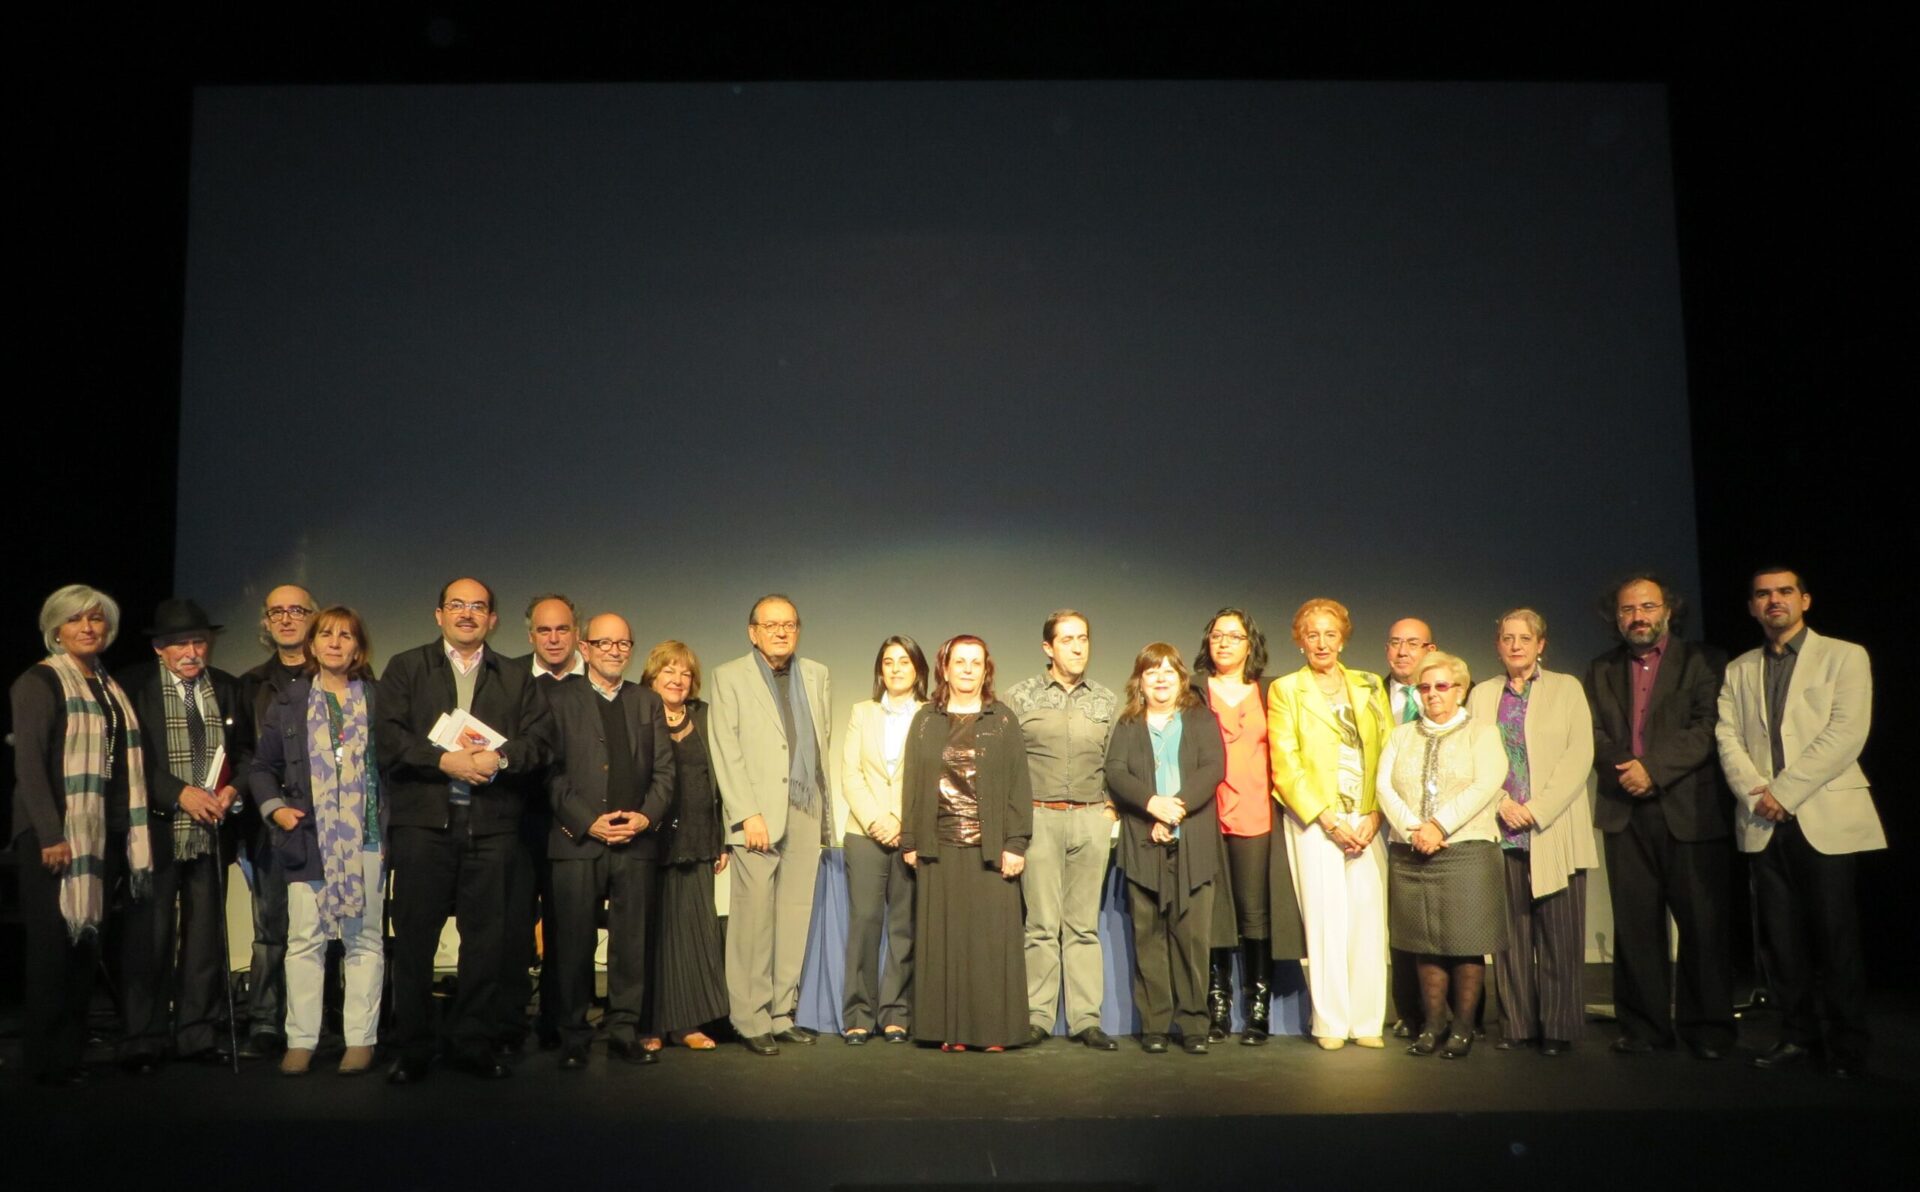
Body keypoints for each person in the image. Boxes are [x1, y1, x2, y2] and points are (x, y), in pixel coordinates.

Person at [378, 577, 553, 1083]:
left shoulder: (517, 678)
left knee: (487, 944)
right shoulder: (407, 667)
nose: (467, 614)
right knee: (414, 941)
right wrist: (445, 761)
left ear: (493, 620)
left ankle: (471, 1043)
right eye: (457, 605)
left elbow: (540, 741)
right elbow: (388, 740)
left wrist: (500, 759)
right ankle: (411, 1047)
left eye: (478, 607)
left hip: (492, 827)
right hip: (423, 826)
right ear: (439, 615)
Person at [1716, 567, 1883, 1078]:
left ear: (1804, 600)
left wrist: (1784, 793)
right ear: (1751, 607)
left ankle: (1847, 1048)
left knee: (1835, 940)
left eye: (1784, 592)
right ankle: (1797, 1036)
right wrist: (1757, 793)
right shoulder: (1740, 667)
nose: (1774, 601)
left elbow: (1846, 733)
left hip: (1822, 813)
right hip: (1764, 820)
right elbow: (1728, 737)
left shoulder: (1844, 655)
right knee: (1782, 941)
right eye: (1763, 594)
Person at [1582, 574, 1735, 1059]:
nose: (1638, 617)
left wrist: (1653, 769)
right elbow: (1594, 732)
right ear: (1617, 617)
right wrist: (1626, 770)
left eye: (1647, 606)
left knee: (1702, 928)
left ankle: (1708, 1031)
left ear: (1668, 610)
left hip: (1688, 809)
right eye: (1628, 610)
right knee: (1636, 927)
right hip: (1625, 811)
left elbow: (1707, 726)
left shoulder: (1704, 661)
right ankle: (1645, 1028)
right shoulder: (1601, 668)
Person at [10, 586, 157, 1084]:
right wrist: (51, 834)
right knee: (53, 952)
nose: (88, 629)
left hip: (105, 834)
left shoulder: (107, 682)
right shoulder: (40, 681)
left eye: (95, 620)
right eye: (76, 621)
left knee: (83, 953)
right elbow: (29, 764)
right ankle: (43, 1063)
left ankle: (68, 1058)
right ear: (56, 629)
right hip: (54, 836)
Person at [249, 606, 388, 1076]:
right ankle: (302, 1040)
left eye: (345, 635)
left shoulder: (377, 700)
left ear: (358, 647)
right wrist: (277, 810)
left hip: (365, 838)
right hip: (307, 838)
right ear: (312, 645)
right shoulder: (289, 701)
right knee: (304, 940)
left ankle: (360, 1040)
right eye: (326, 634)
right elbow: (261, 767)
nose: (334, 643)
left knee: (363, 941)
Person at [117, 597, 252, 1065]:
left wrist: (233, 788)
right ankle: (143, 1039)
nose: (192, 651)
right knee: (150, 937)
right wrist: (179, 794)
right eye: (180, 644)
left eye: (199, 641)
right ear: (159, 648)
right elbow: (132, 760)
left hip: (212, 830)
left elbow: (247, 752)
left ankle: (196, 1034)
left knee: (205, 938)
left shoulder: (229, 689)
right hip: (156, 830)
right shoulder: (134, 687)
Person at [544, 613, 675, 1070]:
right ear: (585, 647)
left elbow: (664, 772)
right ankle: (574, 1037)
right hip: (578, 842)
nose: (615, 651)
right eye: (605, 643)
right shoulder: (556, 698)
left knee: (630, 946)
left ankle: (624, 1032)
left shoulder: (647, 702)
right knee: (573, 945)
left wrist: (645, 818)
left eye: (624, 644)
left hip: (635, 842)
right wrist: (588, 822)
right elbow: (550, 773)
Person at [1465, 609, 1596, 1056]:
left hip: (1552, 826)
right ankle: (1517, 1025)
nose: (1516, 645)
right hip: (1500, 828)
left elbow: (1579, 757)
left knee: (1560, 935)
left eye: (1525, 638)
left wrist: (1535, 809)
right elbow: (1471, 754)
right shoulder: (1482, 694)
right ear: (1497, 645)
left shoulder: (1566, 689)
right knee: (1510, 936)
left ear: (1542, 644)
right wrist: (1501, 801)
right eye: (1507, 638)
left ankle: (1559, 1029)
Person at [708, 594, 832, 1055]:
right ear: (752, 631)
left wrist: (821, 811)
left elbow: (819, 747)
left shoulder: (816, 674)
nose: (781, 632)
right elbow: (726, 748)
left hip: (803, 807)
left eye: (789, 624)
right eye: (771, 624)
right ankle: (749, 1017)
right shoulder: (729, 677)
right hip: (756, 814)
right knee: (753, 918)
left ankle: (782, 1013)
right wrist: (746, 812)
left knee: (794, 915)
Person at [1267, 597, 1392, 1049]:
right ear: (1299, 641)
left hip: (1367, 817)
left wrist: (1377, 812)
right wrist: (1328, 820)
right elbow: (1286, 762)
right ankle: (1332, 1023)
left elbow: (1389, 752)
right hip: (1317, 820)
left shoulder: (1370, 684)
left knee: (1367, 921)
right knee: (1326, 920)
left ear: (1343, 638)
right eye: (1312, 634)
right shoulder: (1285, 690)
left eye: (1330, 633)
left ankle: (1368, 1023)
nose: (1322, 642)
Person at [900, 635, 1033, 1051]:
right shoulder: (925, 719)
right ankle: (948, 1032)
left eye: (976, 662)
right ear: (945, 668)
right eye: (960, 662)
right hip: (938, 845)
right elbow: (913, 783)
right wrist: (909, 838)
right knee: (945, 942)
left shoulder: (1003, 719)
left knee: (989, 943)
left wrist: (1016, 842)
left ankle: (992, 1032)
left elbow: (1018, 786)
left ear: (986, 669)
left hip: (989, 847)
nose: (968, 669)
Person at [1376, 651, 1510, 1059]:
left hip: (1466, 849)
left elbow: (1487, 783)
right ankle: (1432, 1025)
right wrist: (1415, 829)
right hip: (1411, 852)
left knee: (1464, 943)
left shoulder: (1482, 732)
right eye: (1424, 687)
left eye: (1441, 686)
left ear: (1461, 689)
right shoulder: (1401, 736)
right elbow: (1384, 787)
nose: (1432, 694)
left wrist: (1440, 826)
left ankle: (1464, 1028)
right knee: (1424, 942)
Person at [1003, 609, 1119, 1050]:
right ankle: (1037, 1016)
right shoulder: (1020, 697)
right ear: (1048, 648)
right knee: (1041, 925)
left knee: (1083, 926)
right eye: (1067, 639)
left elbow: (1118, 761)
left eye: (1083, 638)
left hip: (1090, 818)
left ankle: (1086, 1019)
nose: (1077, 646)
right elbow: (1008, 766)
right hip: (1040, 818)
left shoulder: (1106, 701)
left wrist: (1109, 811)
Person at [1191, 607, 1304, 1045]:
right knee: (1214, 909)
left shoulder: (1270, 690)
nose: (1224, 643)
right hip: (1207, 812)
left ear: (1250, 644)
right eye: (1217, 635)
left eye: (1234, 636)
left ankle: (1257, 1008)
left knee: (1255, 911)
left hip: (1256, 812)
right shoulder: (1194, 691)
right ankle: (1216, 1006)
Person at [1108, 643, 1227, 1054]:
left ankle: (1194, 1026)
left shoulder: (1199, 719)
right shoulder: (1127, 724)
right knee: (1149, 939)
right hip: (1143, 842)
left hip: (1192, 841)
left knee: (1193, 941)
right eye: (1151, 671)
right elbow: (1116, 772)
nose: (1160, 678)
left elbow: (1214, 767)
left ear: (1181, 678)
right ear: (1139, 680)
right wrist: (1151, 808)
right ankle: (1155, 1026)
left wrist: (1173, 809)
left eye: (1168, 671)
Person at [234, 583, 316, 1059]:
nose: (287, 619)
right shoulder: (251, 685)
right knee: (271, 928)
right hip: (271, 822)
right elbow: (247, 756)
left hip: (329, 821)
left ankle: (321, 1019)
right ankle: (265, 1022)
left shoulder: (343, 673)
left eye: (297, 611)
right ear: (266, 622)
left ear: (314, 617)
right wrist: (270, 804)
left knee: (328, 930)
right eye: (277, 612)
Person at [838, 635, 928, 1044]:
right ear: (880, 670)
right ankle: (858, 1012)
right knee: (864, 922)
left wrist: (903, 823)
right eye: (888, 662)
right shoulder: (862, 712)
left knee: (904, 925)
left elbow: (930, 779)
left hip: (910, 833)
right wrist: (878, 819)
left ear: (918, 671)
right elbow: (851, 774)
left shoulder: (931, 716)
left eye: (904, 662)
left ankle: (896, 1013)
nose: (895, 668)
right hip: (865, 832)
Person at [501, 593, 579, 1053]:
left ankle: (561, 1024)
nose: (553, 639)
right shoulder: (508, 679)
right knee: (513, 927)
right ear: (530, 635)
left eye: (562, 629)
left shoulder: (594, 684)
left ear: (575, 633)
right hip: (517, 821)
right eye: (544, 631)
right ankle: (510, 1024)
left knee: (567, 929)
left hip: (574, 826)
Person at [642, 640, 730, 1051]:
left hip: (699, 838)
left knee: (696, 933)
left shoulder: (706, 716)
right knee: (652, 935)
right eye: (669, 672)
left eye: (685, 673)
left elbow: (722, 781)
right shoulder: (639, 712)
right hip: (650, 841)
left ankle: (688, 1023)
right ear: (652, 677)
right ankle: (651, 1025)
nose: (678, 680)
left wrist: (723, 839)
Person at [1382, 616, 1436, 1037]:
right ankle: (1409, 1012)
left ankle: (1457, 1013)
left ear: (1430, 651)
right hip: (1386, 824)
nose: (1402, 652)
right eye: (1395, 643)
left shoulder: (1457, 695)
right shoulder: (1368, 695)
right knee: (1400, 922)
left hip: (1443, 828)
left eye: (1412, 644)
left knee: (1447, 921)